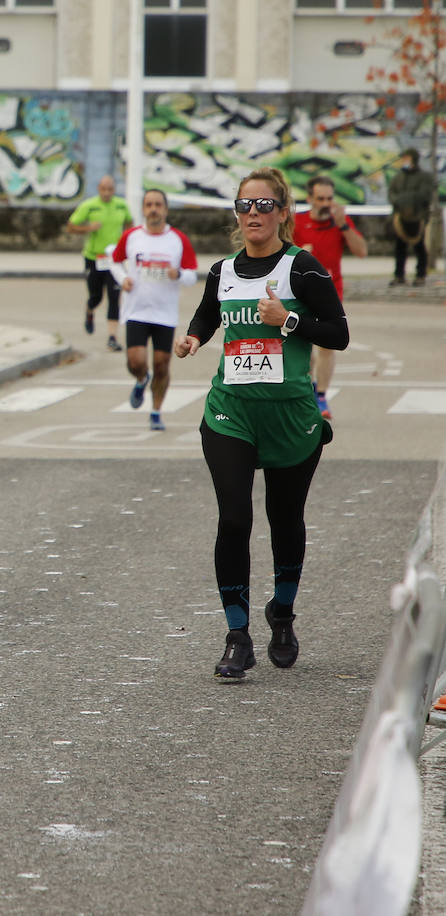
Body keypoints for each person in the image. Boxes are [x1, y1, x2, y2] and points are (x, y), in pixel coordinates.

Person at [174, 167, 349, 681]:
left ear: (282, 212)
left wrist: (289, 321)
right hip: (232, 413)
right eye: (244, 205)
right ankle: (237, 636)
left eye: (263, 205)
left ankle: (283, 613)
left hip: (291, 417)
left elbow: (337, 334)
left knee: (285, 518)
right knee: (234, 519)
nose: (253, 214)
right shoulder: (223, 270)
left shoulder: (303, 269)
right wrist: (193, 338)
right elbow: (208, 315)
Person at [108, 188, 197, 432]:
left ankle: (156, 412)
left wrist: (177, 273)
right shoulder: (132, 236)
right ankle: (140, 379)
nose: (153, 209)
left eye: (158, 204)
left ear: (166, 209)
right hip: (137, 310)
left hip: (164, 313)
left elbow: (192, 274)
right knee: (136, 362)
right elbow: (113, 260)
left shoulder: (177, 239)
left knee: (161, 365)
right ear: (143, 209)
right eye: (149, 204)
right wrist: (123, 278)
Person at [292, 175, 367, 419]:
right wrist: (299, 254)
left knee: (326, 345)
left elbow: (362, 252)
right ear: (310, 199)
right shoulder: (297, 222)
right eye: (320, 198)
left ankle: (321, 396)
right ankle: (307, 389)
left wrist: (343, 225)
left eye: (329, 198)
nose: (326, 203)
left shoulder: (340, 223)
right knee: (302, 343)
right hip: (300, 292)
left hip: (331, 292)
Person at [66, 175, 132, 352]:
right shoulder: (89, 205)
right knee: (96, 296)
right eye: (104, 189)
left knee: (114, 297)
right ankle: (89, 310)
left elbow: (130, 223)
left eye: (110, 189)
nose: (107, 193)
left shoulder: (121, 205)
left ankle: (112, 337)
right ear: (99, 189)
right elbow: (70, 226)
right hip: (94, 258)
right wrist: (88, 228)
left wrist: (127, 244)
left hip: (114, 260)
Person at [387, 148, 435, 287]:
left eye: (406, 157)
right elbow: (392, 194)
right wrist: (400, 202)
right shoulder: (398, 177)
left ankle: (420, 275)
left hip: (418, 217)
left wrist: (405, 199)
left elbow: (424, 196)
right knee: (399, 247)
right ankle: (399, 275)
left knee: (419, 246)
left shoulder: (424, 177)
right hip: (400, 217)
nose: (404, 160)